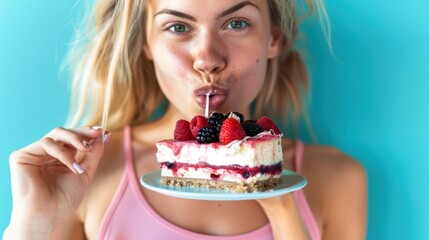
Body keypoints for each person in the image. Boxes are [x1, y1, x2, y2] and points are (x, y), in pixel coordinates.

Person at [4, 0, 367, 239]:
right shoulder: (85, 172)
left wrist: (278, 198)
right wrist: (33, 226)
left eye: (237, 23)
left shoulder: (337, 179)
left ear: (272, 39)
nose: (207, 58)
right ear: (145, 43)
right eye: (178, 27)